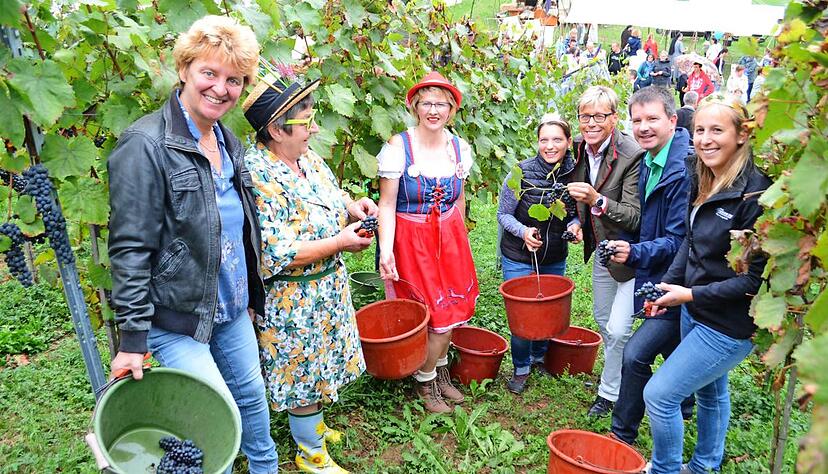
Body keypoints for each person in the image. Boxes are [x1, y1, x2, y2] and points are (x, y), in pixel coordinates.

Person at [106, 15, 279, 473]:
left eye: (234, 79)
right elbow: (129, 248)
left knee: (252, 400)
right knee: (214, 418)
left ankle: (266, 468)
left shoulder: (228, 141)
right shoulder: (144, 145)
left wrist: (250, 295)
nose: (221, 88)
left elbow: (238, 228)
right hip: (176, 315)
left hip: (230, 307)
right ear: (183, 69)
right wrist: (132, 339)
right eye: (210, 73)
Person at [241, 64, 377, 473]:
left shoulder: (308, 158)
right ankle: (310, 454)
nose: (314, 130)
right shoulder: (257, 174)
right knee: (301, 373)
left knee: (317, 368)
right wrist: (341, 241)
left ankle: (312, 429)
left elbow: (331, 196)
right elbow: (276, 252)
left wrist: (353, 207)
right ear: (277, 130)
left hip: (325, 291)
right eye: (306, 123)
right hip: (292, 300)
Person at [643, 93, 770, 473]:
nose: (705, 139)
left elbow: (753, 280)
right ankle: (704, 466)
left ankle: (665, 469)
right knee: (711, 390)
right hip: (694, 310)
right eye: (699, 130)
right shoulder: (703, 175)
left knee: (660, 395)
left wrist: (691, 293)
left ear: (741, 136)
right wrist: (668, 288)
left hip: (728, 324)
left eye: (717, 130)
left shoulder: (757, 195)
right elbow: (691, 242)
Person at [377, 72, 479, 414]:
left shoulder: (458, 148)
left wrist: (460, 239)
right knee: (433, 312)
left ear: (451, 109)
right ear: (415, 107)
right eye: (426, 103)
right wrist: (387, 249)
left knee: (453, 308)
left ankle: (437, 370)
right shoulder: (397, 147)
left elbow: (459, 199)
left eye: (441, 104)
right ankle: (424, 380)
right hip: (412, 240)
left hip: (448, 237)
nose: (433, 110)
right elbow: (387, 204)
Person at [606, 86, 693, 446]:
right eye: (637, 120)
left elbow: (677, 240)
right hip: (660, 276)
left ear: (672, 120)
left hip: (680, 282)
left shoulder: (682, 171)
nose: (643, 127)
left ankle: (620, 435)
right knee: (672, 348)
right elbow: (650, 226)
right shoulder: (649, 161)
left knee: (636, 354)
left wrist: (636, 253)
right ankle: (687, 404)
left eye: (652, 119)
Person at [566, 86, 644, 417]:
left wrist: (596, 199)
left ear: (614, 118)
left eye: (600, 116)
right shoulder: (583, 148)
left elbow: (634, 215)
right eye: (586, 116)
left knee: (618, 329)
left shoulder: (632, 154)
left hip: (630, 255)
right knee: (602, 319)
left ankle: (610, 393)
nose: (592, 123)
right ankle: (621, 375)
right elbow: (580, 199)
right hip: (603, 250)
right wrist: (577, 222)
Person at [497, 113, 578, 394]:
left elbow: (577, 215)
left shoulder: (576, 174)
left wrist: (576, 226)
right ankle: (521, 366)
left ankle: (540, 358)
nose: (550, 146)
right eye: (544, 140)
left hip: (555, 255)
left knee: (549, 310)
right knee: (522, 313)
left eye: (557, 139)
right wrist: (523, 232)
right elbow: (503, 215)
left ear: (569, 141)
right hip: (518, 255)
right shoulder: (521, 172)